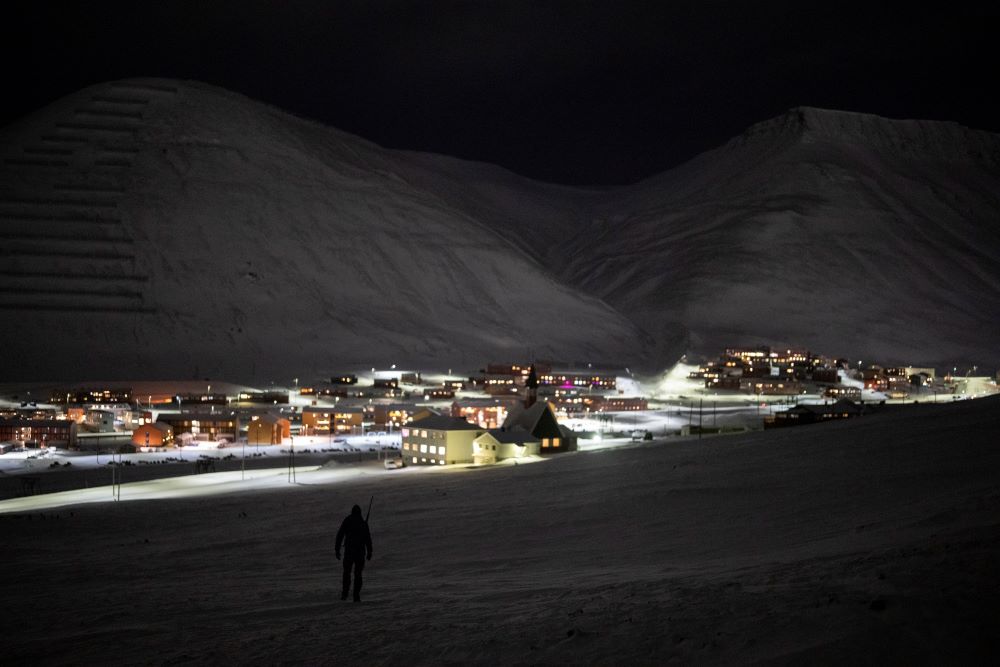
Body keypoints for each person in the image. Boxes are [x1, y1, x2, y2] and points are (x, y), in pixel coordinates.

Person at [335, 504, 373, 601]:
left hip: (349, 552)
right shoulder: (362, 523)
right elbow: (367, 538)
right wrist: (369, 552)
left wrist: (337, 549)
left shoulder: (348, 520)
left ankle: (345, 594)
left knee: (347, 573)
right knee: (358, 574)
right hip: (359, 553)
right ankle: (356, 595)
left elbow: (340, 534)